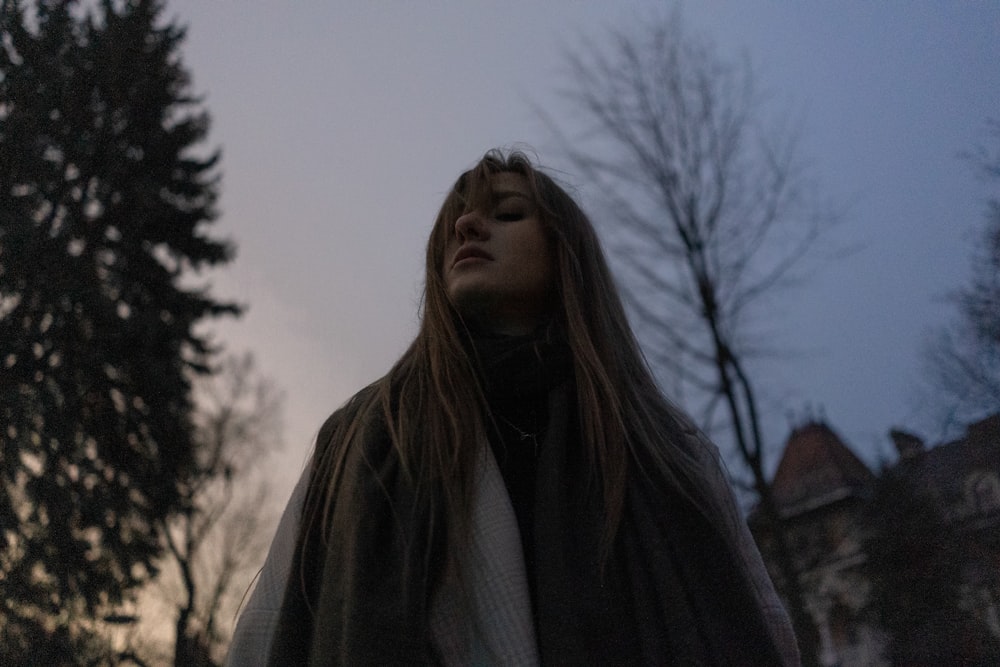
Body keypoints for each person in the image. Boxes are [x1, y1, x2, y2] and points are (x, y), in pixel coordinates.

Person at [226, 150, 800, 666]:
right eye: (460, 220)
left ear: (565, 253)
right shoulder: (361, 439)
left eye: (507, 214)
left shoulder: (663, 447)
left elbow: (762, 627)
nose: (467, 224)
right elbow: (268, 629)